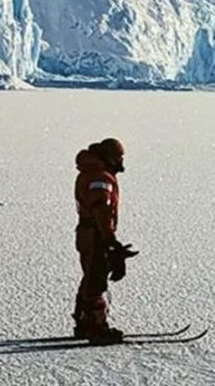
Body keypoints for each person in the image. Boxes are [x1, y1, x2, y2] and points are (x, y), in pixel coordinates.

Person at [72, 137, 135, 344]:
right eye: (118, 158)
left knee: (90, 275)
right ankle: (96, 326)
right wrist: (109, 238)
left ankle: (83, 321)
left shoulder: (89, 173)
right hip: (95, 234)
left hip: (87, 232)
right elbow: (102, 209)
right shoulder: (100, 177)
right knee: (96, 280)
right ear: (109, 157)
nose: (121, 163)